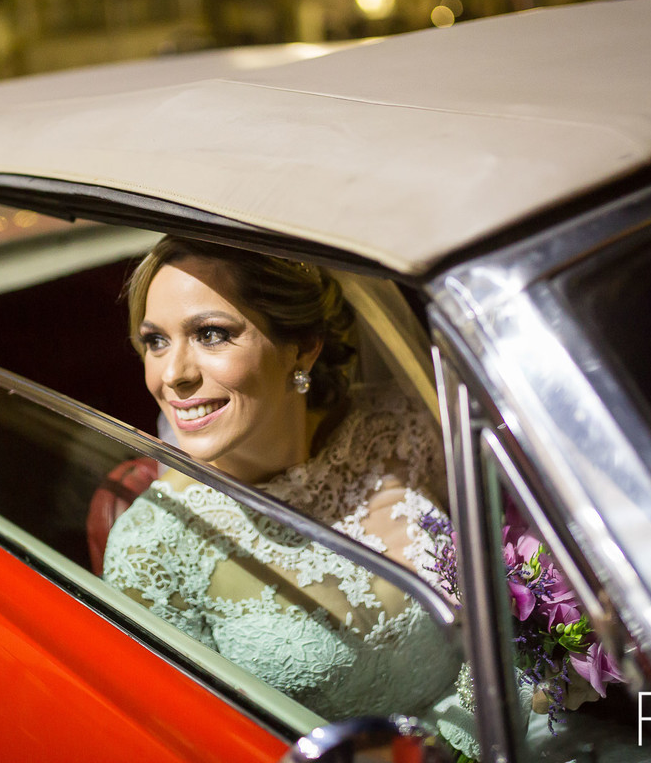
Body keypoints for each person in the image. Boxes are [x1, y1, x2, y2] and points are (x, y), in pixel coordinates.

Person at [101, 236, 461, 721]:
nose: (173, 375)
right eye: (156, 341)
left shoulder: (404, 431)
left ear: (304, 347)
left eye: (210, 334)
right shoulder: (153, 546)